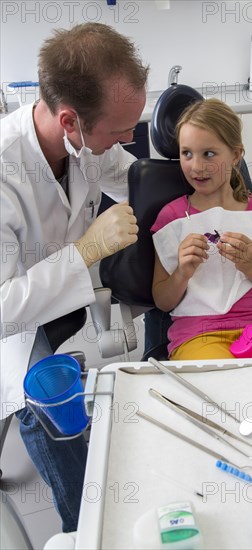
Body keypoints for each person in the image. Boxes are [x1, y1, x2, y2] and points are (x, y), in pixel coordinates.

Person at [0, 23, 148, 531]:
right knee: (48, 407)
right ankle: (86, 531)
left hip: (57, 293)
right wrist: (86, 249)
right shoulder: (3, 170)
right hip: (11, 327)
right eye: (118, 130)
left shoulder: (86, 143)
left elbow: (133, 178)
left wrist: (200, 187)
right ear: (71, 120)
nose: (129, 139)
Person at [151, 98, 252, 360]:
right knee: (222, 396)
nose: (196, 166)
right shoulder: (172, 217)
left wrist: (251, 264)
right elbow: (162, 301)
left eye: (208, 153)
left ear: (236, 155)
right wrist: (182, 273)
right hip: (197, 336)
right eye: (187, 153)